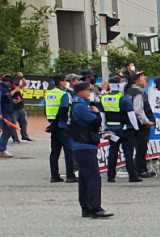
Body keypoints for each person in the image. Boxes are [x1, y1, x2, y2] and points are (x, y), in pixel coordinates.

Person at [67, 82, 112, 219]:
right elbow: (95, 122)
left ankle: (86, 207)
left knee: (85, 177)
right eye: (87, 90)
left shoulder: (79, 104)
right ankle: (95, 207)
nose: (89, 93)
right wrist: (98, 114)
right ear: (80, 91)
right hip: (84, 143)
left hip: (81, 143)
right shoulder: (81, 106)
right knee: (93, 177)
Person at [44, 74, 76, 182]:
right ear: (61, 82)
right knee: (68, 150)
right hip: (62, 124)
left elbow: (48, 109)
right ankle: (70, 175)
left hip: (53, 124)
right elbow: (63, 110)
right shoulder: (64, 94)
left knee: (55, 151)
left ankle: (54, 175)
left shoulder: (49, 93)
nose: (66, 82)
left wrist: (52, 123)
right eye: (65, 80)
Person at [129, 73, 156, 179]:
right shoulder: (138, 93)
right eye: (142, 78)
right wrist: (146, 122)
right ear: (136, 81)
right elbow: (138, 110)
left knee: (137, 148)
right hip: (140, 125)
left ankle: (138, 169)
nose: (145, 80)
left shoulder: (128, 92)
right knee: (141, 148)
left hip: (133, 124)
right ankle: (141, 170)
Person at [10, 73, 31, 142]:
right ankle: (15, 138)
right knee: (13, 123)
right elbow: (8, 95)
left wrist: (22, 77)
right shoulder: (6, 87)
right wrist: (15, 90)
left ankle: (24, 135)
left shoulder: (16, 85)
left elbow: (24, 84)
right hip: (12, 108)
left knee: (24, 122)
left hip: (20, 106)